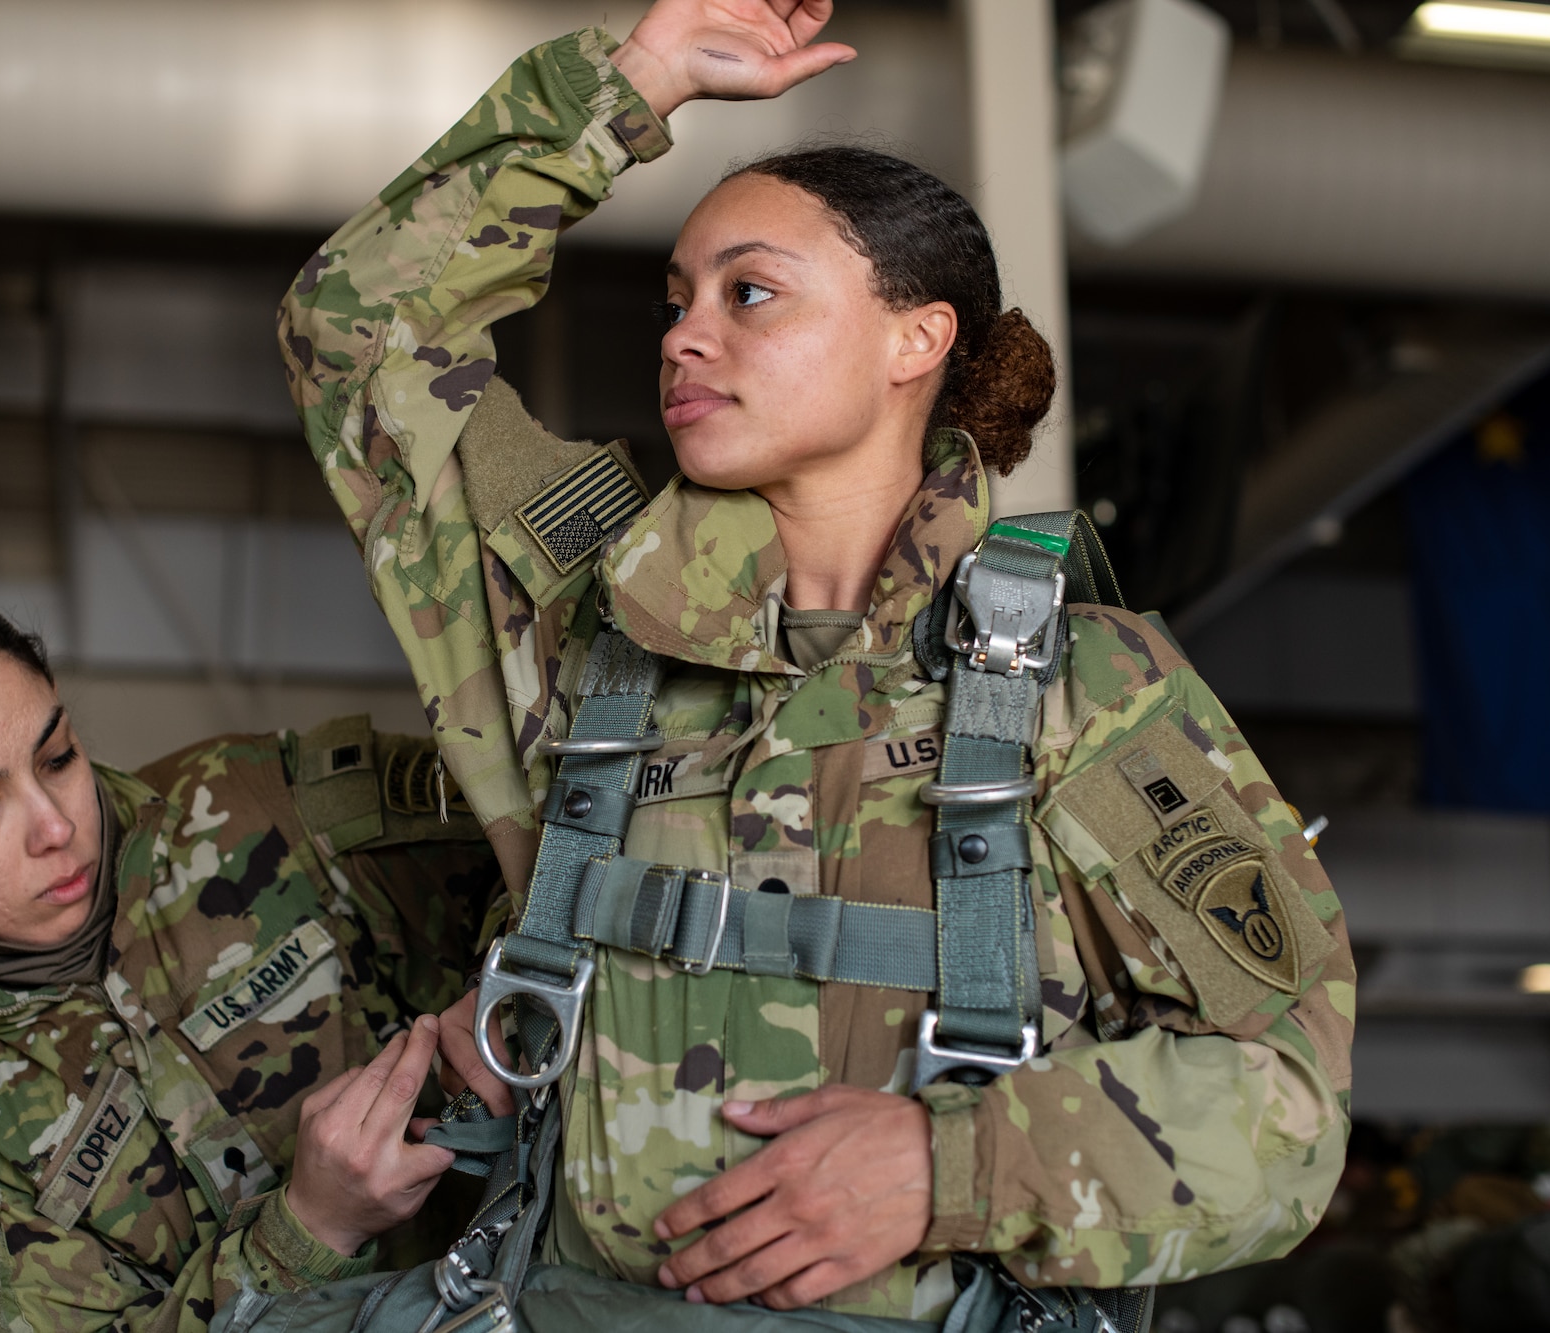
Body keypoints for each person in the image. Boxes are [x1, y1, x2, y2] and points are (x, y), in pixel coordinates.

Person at [279, 0, 1355, 1321]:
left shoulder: (1084, 687)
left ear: (919, 340)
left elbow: (1289, 1103)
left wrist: (945, 1166)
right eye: (677, 300)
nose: (682, 334)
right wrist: (632, 81)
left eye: (752, 295)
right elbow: (358, 330)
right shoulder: (579, 609)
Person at [0, 579, 503, 1330]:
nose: (56, 826)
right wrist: (307, 1232)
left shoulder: (254, 802)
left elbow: (552, 833)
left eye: (58, 756)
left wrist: (504, 984)